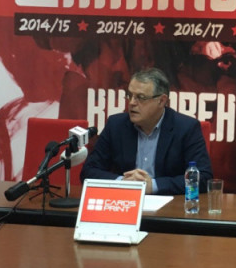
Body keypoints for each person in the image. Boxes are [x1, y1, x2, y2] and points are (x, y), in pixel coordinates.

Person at [80, 68, 213, 194]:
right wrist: (123, 182)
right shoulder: (116, 125)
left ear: (161, 101)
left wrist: (153, 186)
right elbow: (89, 171)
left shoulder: (186, 128)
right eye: (130, 95)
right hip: (126, 202)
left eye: (141, 97)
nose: (132, 102)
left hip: (168, 205)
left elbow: (203, 177)